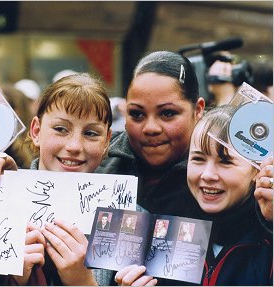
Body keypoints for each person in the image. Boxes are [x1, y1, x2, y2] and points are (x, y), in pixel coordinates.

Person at [0, 73, 155, 286]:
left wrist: (83, 283)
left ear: (107, 142)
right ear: (36, 131)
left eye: (91, 133)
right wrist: (16, 279)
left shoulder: (132, 220)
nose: (74, 146)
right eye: (60, 129)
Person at [116, 106, 273, 286]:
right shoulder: (158, 226)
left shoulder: (268, 237)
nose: (207, 174)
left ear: (259, 169)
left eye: (225, 162)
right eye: (198, 159)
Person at [96, 50, 205, 216]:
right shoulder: (96, 160)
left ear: (197, 110)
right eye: (137, 114)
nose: (150, 128)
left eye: (167, 113)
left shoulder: (222, 177)